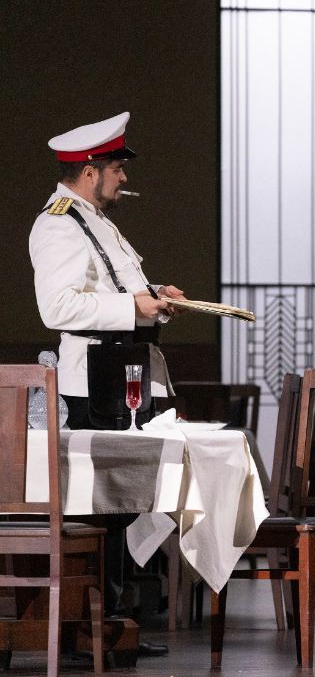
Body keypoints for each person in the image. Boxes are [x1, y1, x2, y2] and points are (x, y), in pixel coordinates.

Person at [28, 111, 183, 658]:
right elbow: (59, 306)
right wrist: (132, 306)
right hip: (92, 379)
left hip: (121, 374)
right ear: (91, 170)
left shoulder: (96, 220)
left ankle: (116, 620)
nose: (123, 178)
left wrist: (154, 297)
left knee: (120, 502)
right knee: (101, 504)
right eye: (116, 167)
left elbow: (116, 290)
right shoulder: (58, 222)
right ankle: (95, 625)